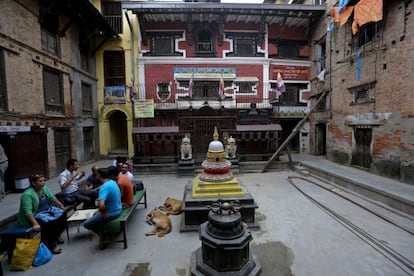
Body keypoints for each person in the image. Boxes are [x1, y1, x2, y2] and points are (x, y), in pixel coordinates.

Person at [17, 174, 67, 254]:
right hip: (36, 213)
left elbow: (52, 197)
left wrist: (60, 204)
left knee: (62, 214)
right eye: (40, 181)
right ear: (33, 183)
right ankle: (52, 244)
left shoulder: (44, 188)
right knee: (48, 223)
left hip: (47, 209)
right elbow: (28, 211)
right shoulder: (27, 195)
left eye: (44, 180)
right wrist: (35, 224)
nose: (43, 182)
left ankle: (56, 234)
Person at [83, 167, 122, 234]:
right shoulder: (112, 182)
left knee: (86, 224)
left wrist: (103, 211)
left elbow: (101, 205)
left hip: (111, 214)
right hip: (118, 209)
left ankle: (104, 234)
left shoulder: (104, 187)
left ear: (98, 175)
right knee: (95, 214)